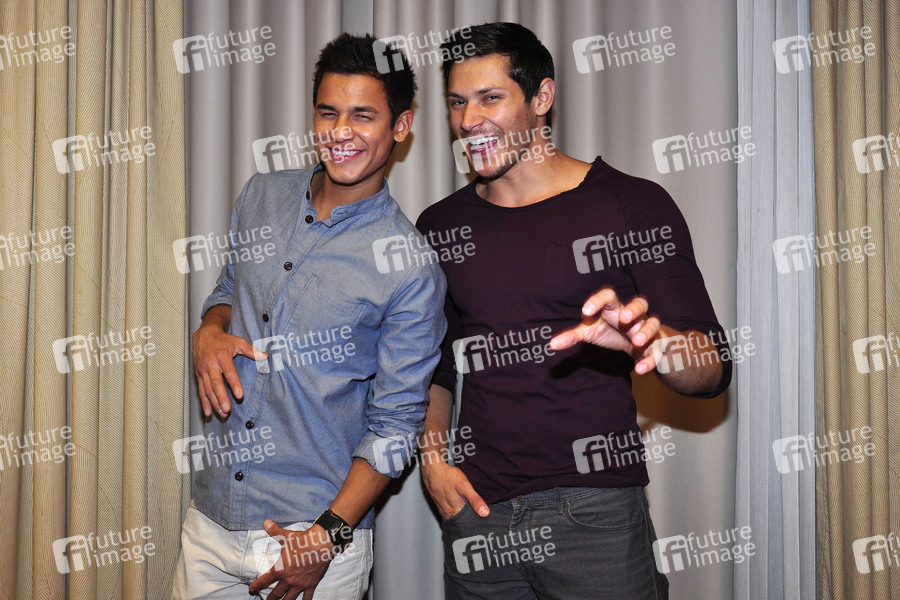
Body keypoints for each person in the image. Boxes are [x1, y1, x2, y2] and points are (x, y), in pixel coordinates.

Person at [415, 22, 733, 600]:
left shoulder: (631, 204)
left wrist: (654, 344)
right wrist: (435, 463)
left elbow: (712, 369)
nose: (469, 120)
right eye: (458, 102)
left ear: (542, 97)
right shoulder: (440, 226)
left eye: (490, 97)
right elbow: (436, 367)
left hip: (594, 517)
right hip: (477, 515)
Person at [172, 33, 447, 600]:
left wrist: (326, 537)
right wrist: (210, 330)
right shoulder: (261, 195)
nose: (340, 132)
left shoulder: (409, 266)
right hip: (210, 521)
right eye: (328, 112)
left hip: (313, 541)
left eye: (363, 115)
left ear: (401, 126)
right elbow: (228, 288)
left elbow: (396, 429)